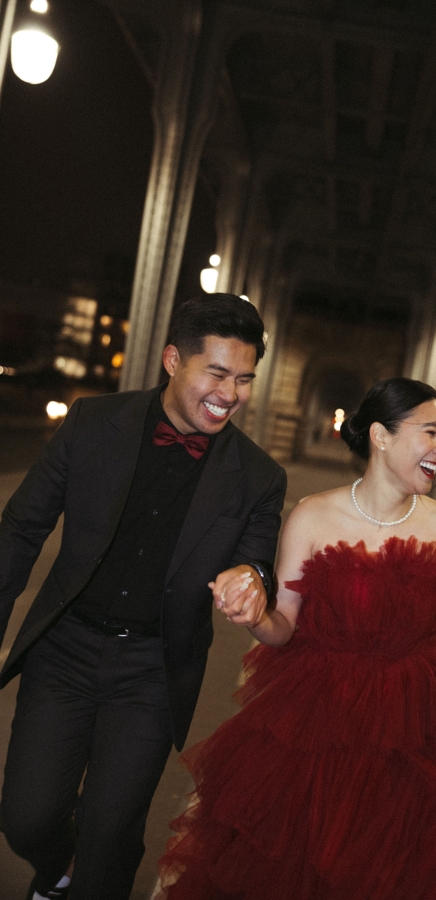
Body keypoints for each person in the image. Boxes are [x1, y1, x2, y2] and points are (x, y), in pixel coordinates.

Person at [154, 376, 436, 900]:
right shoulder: (314, 515)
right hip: (322, 718)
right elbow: (283, 627)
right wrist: (251, 616)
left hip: (415, 716)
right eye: (431, 433)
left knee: (396, 863)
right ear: (381, 435)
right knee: (300, 861)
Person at [0, 294, 287, 900]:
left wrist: (252, 582)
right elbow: (21, 530)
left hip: (153, 670)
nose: (230, 393)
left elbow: (259, 560)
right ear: (173, 359)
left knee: (110, 829)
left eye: (243, 380)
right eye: (216, 373)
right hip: (64, 650)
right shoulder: (93, 422)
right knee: (26, 817)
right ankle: (60, 871)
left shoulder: (259, 476)